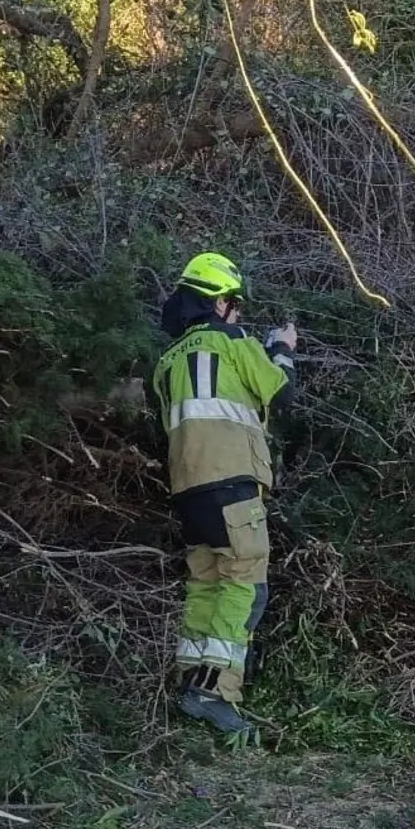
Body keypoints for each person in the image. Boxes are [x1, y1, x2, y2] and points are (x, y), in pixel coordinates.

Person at [151, 252, 297, 736]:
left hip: (187, 491)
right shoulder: (234, 341)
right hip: (233, 484)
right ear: (219, 304)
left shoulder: (166, 362)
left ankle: (189, 683)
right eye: (234, 301)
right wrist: (282, 349)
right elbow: (279, 392)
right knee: (244, 586)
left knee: (205, 583)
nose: (238, 311)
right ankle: (216, 694)